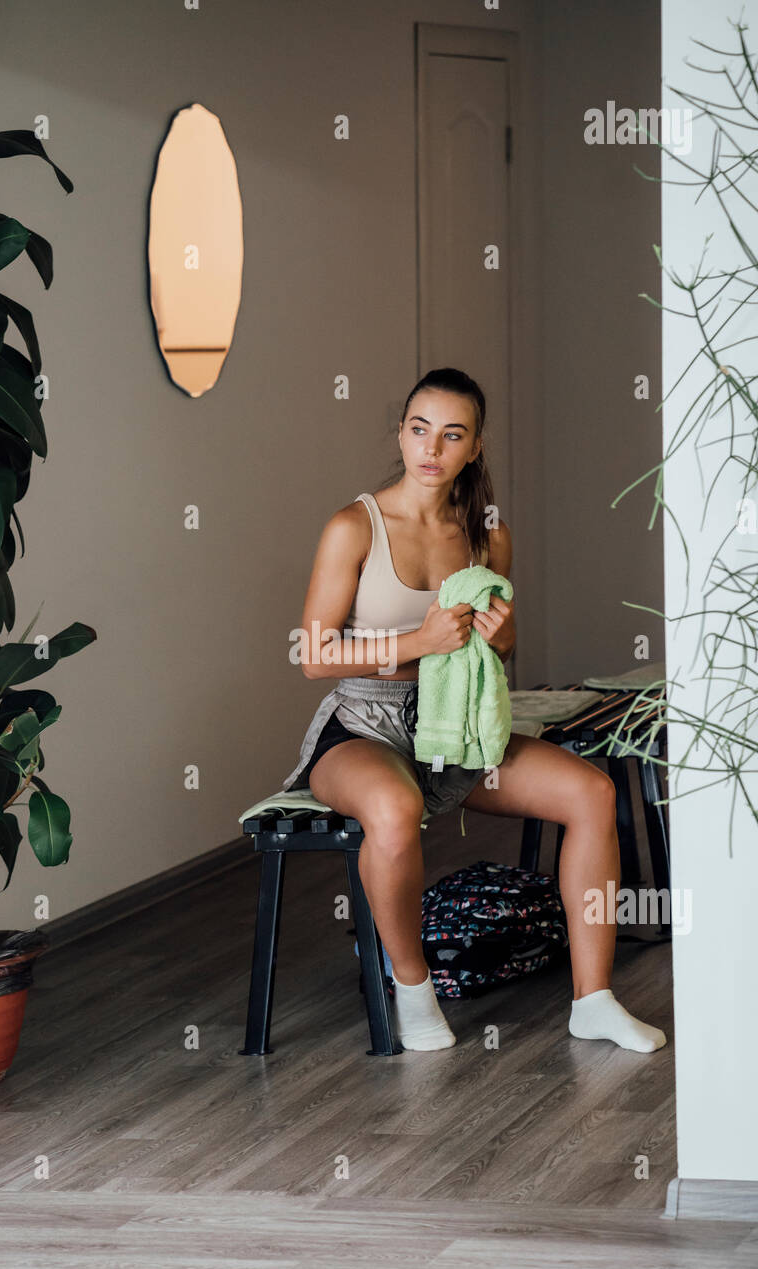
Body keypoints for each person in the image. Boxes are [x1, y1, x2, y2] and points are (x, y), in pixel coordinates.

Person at [282, 366, 667, 1055]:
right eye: (419, 429)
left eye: (450, 435)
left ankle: (594, 999)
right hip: (363, 726)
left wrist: (500, 637)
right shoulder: (354, 525)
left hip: (456, 725)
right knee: (395, 812)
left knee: (589, 791)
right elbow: (313, 654)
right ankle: (411, 986)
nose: (431, 448)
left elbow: (503, 645)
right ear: (400, 433)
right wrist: (417, 641)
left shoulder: (488, 535)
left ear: (474, 448)